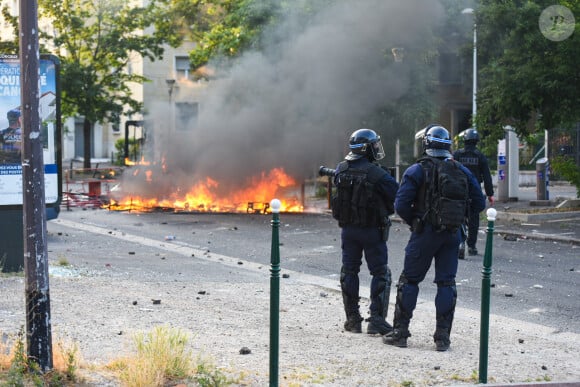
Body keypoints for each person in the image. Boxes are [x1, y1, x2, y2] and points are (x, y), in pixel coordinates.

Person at [383, 124, 485, 351]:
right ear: (448, 146)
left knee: (409, 280)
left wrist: (416, 222)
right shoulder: (461, 170)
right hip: (452, 234)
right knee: (446, 283)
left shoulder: (416, 170)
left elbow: (400, 204)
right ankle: (442, 338)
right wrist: (458, 218)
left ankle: (400, 333)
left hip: (425, 233)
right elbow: (479, 202)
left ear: (426, 144)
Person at [331, 128, 399, 335]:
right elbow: (397, 194)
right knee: (380, 273)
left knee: (349, 271)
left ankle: (352, 320)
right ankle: (376, 320)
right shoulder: (377, 174)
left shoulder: (341, 169)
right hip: (372, 231)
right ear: (367, 148)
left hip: (348, 230)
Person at [453, 128, 494, 257]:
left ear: (464, 140)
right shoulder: (480, 156)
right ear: (476, 141)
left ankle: (460, 243)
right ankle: (472, 246)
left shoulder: (457, 155)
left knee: (458, 218)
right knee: (474, 220)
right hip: (474, 193)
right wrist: (490, 194)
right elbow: (487, 177)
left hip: (458, 192)